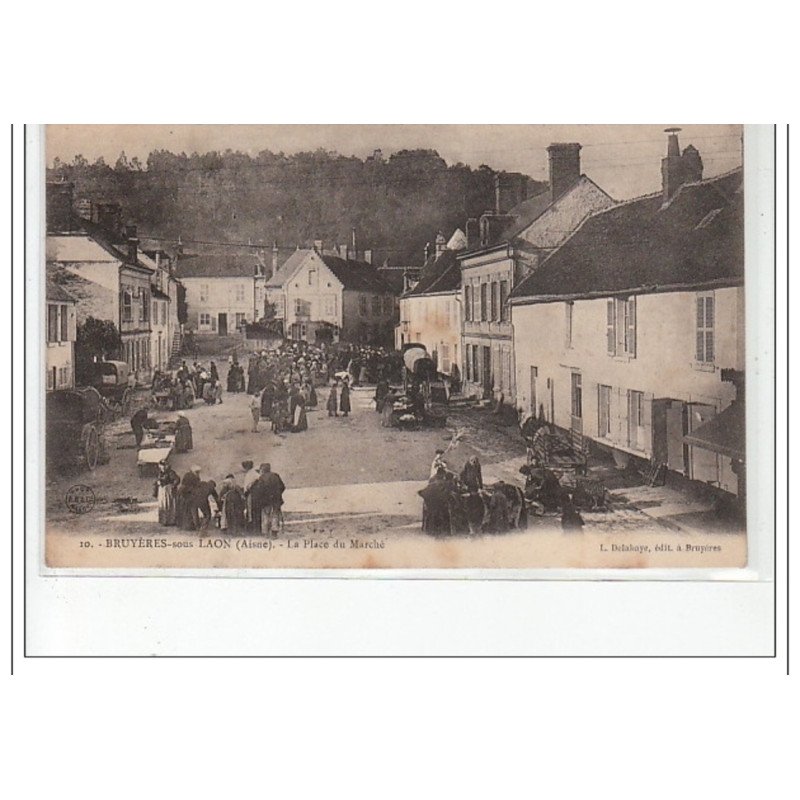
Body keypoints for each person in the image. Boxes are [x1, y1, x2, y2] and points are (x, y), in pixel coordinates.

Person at [249, 463, 286, 537]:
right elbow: (282, 487)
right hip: (276, 500)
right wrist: (277, 494)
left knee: (265, 516)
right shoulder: (276, 476)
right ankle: (274, 532)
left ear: (263, 469)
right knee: (275, 515)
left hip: (265, 501)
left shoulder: (261, 478)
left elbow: (259, 490)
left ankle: (266, 533)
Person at [154, 460, 180, 526]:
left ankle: (171, 521)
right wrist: (157, 484)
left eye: (164, 466)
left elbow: (177, 480)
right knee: (163, 505)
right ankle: (164, 521)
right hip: (162, 491)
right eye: (161, 466)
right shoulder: (160, 473)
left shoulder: (171, 472)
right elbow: (158, 480)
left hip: (168, 492)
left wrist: (172, 486)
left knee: (169, 505)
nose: (163, 467)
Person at [177, 465, 202, 530]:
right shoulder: (192, 476)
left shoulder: (189, 475)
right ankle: (193, 526)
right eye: (197, 472)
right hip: (188, 495)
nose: (198, 473)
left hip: (187, 495)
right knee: (192, 511)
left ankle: (187, 525)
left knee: (187, 511)